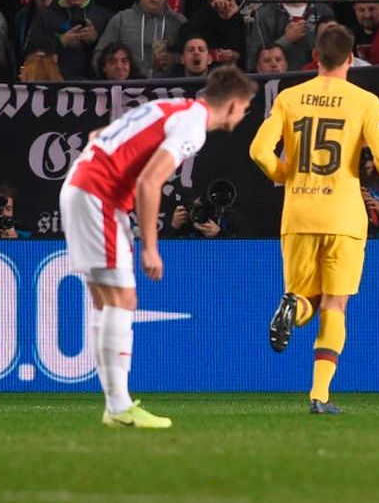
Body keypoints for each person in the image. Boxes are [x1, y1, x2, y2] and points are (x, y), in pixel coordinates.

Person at [60, 65, 256, 428]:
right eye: (244, 108)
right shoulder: (192, 126)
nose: (243, 116)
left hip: (82, 185)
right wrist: (151, 246)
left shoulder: (171, 107)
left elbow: (96, 134)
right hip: (97, 195)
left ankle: (114, 404)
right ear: (233, 105)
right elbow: (150, 183)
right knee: (123, 300)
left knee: (105, 300)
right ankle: (118, 408)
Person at [250, 24, 379, 415]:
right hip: (344, 215)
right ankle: (319, 395)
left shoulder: (289, 97)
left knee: (304, 297)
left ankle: (289, 308)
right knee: (335, 303)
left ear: (316, 57)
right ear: (351, 58)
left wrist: (285, 175)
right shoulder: (364, 101)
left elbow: (258, 150)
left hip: (298, 213)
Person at [95, 0, 187, 76]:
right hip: (129, 87)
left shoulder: (179, 22)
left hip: (169, 87)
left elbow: (195, 57)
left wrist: (175, 59)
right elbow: (99, 55)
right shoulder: (121, 19)